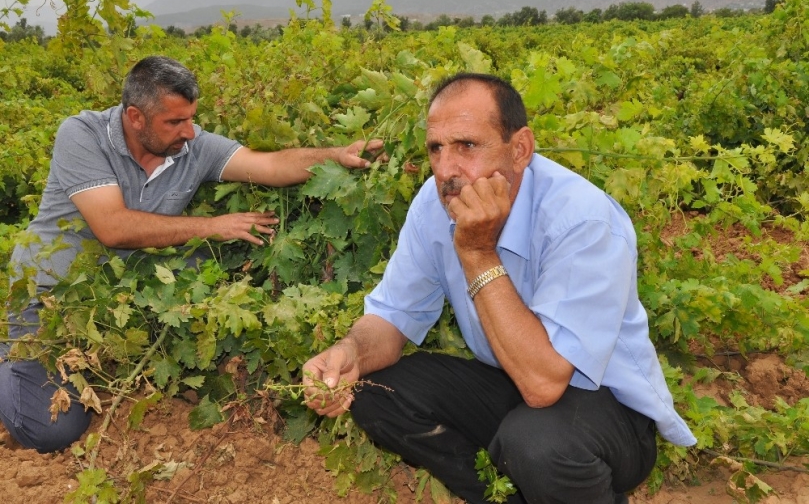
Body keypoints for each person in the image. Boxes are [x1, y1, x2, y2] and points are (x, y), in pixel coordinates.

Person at [302, 72, 696, 503]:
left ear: (520, 149)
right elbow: (393, 315)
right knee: (375, 391)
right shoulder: (434, 206)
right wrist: (351, 353)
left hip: (606, 412)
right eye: (436, 148)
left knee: (536, 442)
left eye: (467, 146)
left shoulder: (582, 220)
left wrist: (477, 252)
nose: (447, 170)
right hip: (514, 383)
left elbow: (546, 384)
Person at [2, 55, 383, 453]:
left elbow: (267, 165)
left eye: (191, 118)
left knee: (201, 266)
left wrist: (338, 154)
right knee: (52, 431)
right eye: (174, 122)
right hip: (51, 297)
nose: (189, 132)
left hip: (117, 299)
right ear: (135, 117)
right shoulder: (82, 135)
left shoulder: (191, 145)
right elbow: (112, 227)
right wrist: (212, 226)